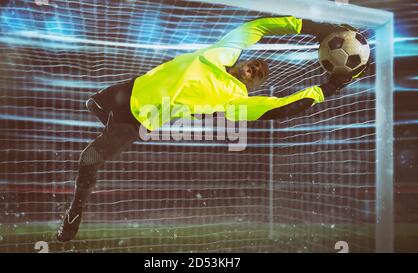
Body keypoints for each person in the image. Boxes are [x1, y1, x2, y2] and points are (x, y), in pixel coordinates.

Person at [56, 16, 367, 242]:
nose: (256, 69)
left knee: (88, 159)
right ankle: (102, 118)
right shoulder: (223, 53)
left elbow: (282, 108)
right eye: (256, 64)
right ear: (246, 61)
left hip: (135, 121)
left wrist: (328, 88)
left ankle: (73, 214)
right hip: (131, 87)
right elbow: (258, 27)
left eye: (259, 76)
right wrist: (314, 28)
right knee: (92, 103)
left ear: (254, 84)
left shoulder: (235, 100)